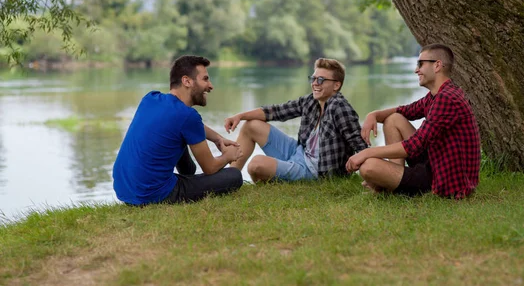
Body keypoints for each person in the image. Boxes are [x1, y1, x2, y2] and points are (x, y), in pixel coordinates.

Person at [346, 43, 481, 199]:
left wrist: (366, 153)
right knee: (393, 119)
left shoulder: (447, 98)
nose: (416, 69)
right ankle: (389, 184)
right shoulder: (437, 95)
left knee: (368, 167)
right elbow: (403, 111)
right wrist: (373, 114)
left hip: (445, 179)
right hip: (435, 162)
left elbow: (414, 145)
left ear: (437, 65)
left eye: (420, 64)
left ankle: (387, 183)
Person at [113, 55, 243, 205]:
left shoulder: (150, 98)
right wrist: (228, 156)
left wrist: (217, 139)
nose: (211, 86)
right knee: (234, 176)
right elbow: (210, 168)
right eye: (205, 79)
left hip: (124, 189)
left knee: (185, 156)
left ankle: (188, 176)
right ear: (187, 81)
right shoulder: (188, 116)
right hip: (153, 195)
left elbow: (184, 122)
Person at [224, 58, 367, 182]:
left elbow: (360, 146)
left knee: (256, 164)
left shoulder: (340, 107)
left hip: (315, 172)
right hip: (299, 152)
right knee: (251, 125)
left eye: (321, 80)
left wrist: (370, 179)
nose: (315, 83)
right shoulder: (311, 100)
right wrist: (240, 116)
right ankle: (229, 180)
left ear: (336, 85)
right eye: (313, 78)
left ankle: (274, 182)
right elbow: (276, 111)